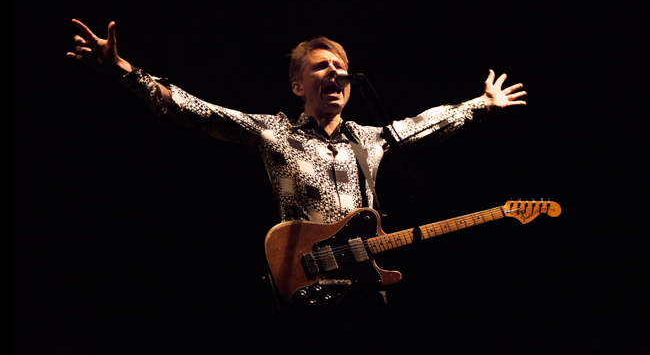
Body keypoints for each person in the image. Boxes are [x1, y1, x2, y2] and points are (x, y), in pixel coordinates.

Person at [66, 19, 526, 315]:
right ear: (297, 84)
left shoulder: (370, 138)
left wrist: (480, 104)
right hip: (304, 287)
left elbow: (424, 124)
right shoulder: (276, 132)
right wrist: (127, 72)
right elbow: (198, 111)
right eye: (321, 66)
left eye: (340, 66)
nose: (334, 73)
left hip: (367, 292)